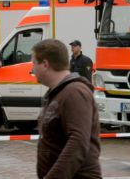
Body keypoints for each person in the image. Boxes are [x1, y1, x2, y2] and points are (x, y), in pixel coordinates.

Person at [31, 39, 101, 179]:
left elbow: (78, 141)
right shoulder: (58, 93)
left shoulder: (75, 92)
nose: (32, 69)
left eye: (34, 63)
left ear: (45, 64)